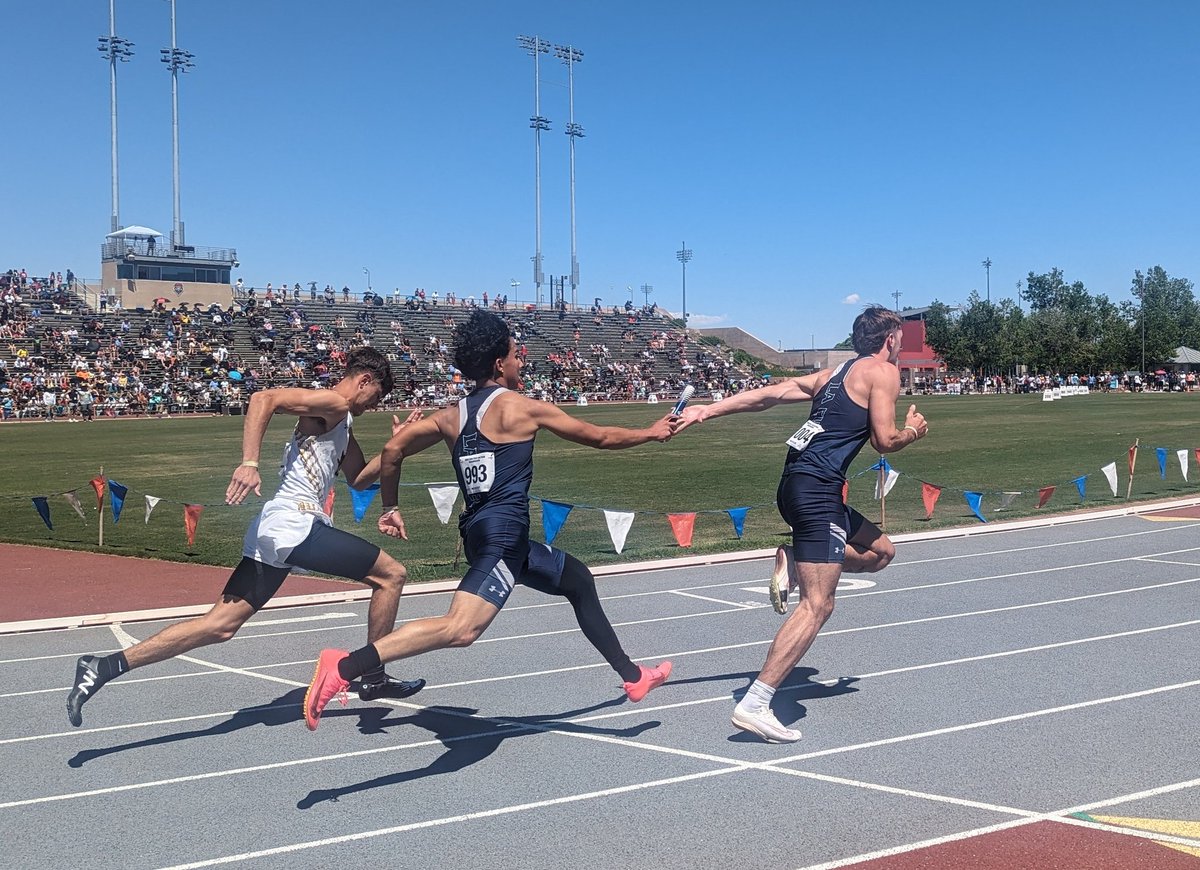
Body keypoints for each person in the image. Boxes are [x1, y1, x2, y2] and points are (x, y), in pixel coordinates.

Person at [303, 310, 675, 730]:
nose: (522, 361)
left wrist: (390, 506)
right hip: (501, 540)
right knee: (461, 629)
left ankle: (633, 676)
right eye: (517, 355)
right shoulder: (523, 408)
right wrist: (651, 432)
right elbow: (601, 437)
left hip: (490, 538)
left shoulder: (449, 416)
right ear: (499, 363)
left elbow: (392, 452)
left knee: (578, 580)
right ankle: (346, 665)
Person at [66, 347, 426, 727]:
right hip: (294, 524)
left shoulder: (341, 422)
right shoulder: (334, 402)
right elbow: (263, 398)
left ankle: (104, 666)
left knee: (219, 625)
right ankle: (372, 677)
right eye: (378, 396)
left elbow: (358, 479)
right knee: (392, 575)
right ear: (365, 380)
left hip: (274, 530)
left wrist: (395, 447)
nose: (376, 405)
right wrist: (249, 462)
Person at [671, 305, 928, 743]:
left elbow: (770, 393)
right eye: (899, 340)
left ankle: (794, 557)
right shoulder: (883, 373)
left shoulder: (832, 374)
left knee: (881, 552)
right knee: (818, 604)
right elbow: (885, 440)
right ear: (890, 340)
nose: (899, 346)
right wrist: (914, 432)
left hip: (796, 485)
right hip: (818, 492)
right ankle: (756, 702)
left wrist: (707, 411)